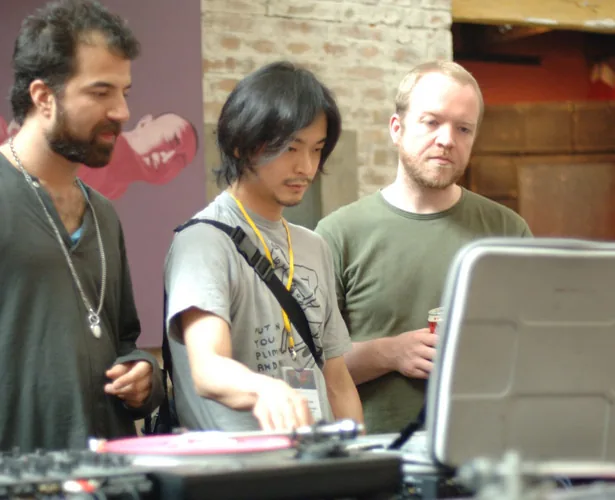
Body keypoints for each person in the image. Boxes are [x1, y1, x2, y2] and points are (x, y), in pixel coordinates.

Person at [315, 61, 532, 434]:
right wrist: (388, 353)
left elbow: (537, 352)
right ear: (396, 129)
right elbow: (303, 368)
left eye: (463, 128)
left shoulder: (508, 231)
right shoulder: (338, 234)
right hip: (376, 455)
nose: (447, 140)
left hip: (483, 452)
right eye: (431, 122)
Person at [164, 61, 364, 432]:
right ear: (242, 145)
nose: (306, 166)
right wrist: (265, 389)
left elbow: (337, 380)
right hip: (240, 462)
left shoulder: (314, 246)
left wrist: (359, 452)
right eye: (290, 148)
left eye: (317, 149)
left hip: (316, 456)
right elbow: (207, 368)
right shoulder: (204, 241)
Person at [0, 0, 163, 452]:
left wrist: (143, 376)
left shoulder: (103, 213)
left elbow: (124, 340)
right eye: (101, 92)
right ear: (43, 97)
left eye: (124, 92)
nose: (122, 111)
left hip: (107, 469)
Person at [1, 112, 198, 199]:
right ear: (145, 123)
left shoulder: (114, 190)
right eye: (172, 141)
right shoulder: (95, 133)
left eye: (179, 161)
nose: (168, 158)